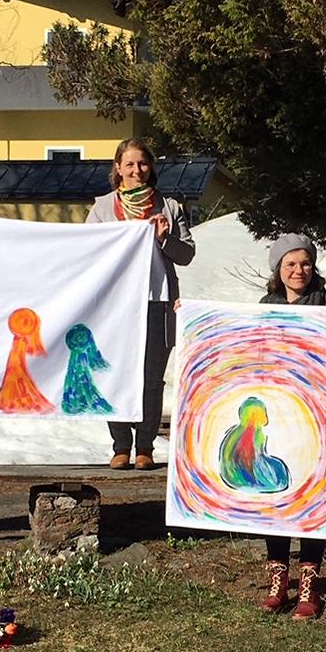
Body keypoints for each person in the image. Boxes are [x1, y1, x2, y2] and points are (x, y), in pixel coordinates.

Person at [84, 138, 195, 469]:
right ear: (118, 168)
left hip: (158, 303)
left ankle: (145, 447)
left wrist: (164, 238)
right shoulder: (103, 208)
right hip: (115, 306)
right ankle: (121, 445)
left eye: (143, 164)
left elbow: (187, 254)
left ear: (151, 167)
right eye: (129, 164)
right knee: (115, 374)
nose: (136, 170)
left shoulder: (170, 207)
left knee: (151, 377)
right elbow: (88, 251)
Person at [255, 234, 326, 620]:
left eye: (304, 263)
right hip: (276, 415)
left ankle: (309, 584)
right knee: (275, 497)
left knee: (310, 497)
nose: (298, 270)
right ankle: (278, 580)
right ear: (278, 269)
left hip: (315, 417)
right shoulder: (264, 308)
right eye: (290, 264)